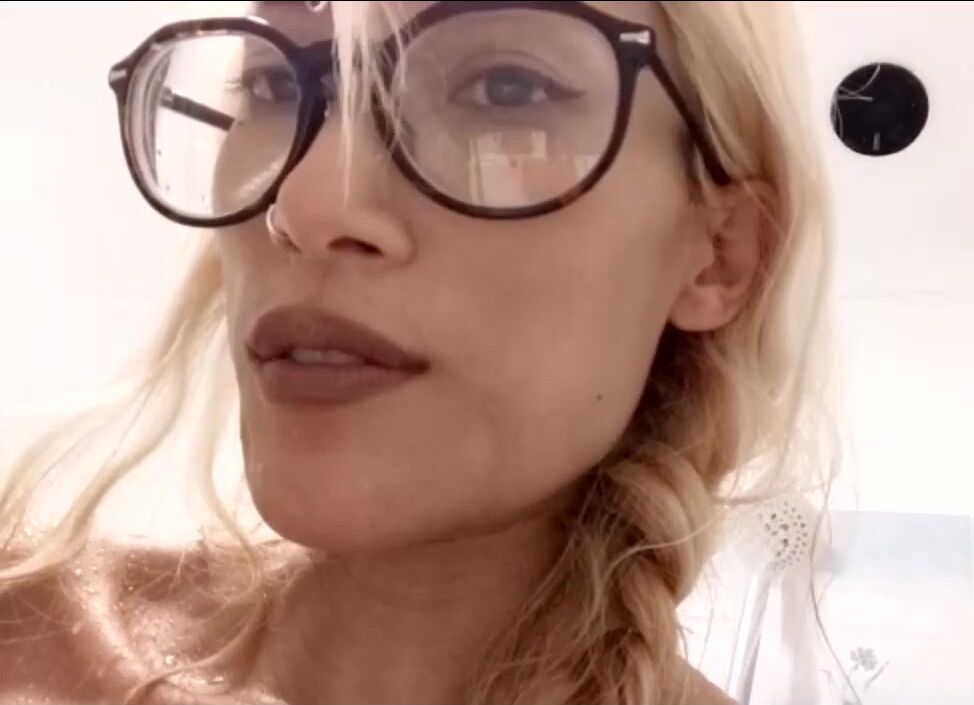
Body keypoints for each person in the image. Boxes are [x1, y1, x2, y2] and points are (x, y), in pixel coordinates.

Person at [0, 1, 838, 703]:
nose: (305, 203)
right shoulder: (27, 636)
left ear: (720, 253)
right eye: (273, 85)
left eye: (504, 87)